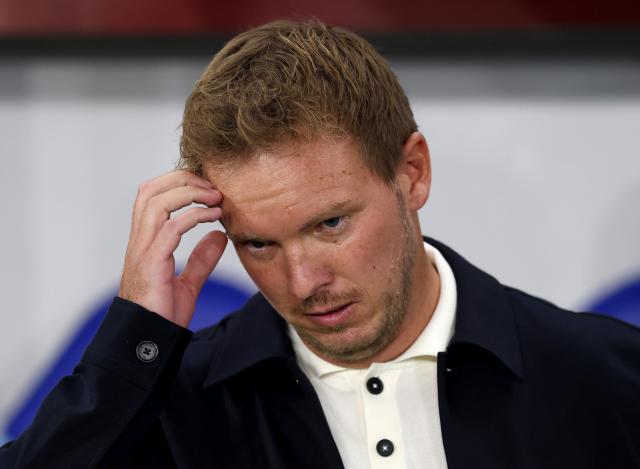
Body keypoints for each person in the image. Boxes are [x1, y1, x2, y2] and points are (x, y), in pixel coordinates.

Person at [2, 19, 639, 469]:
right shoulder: (169, 410)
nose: (304, 283)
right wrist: (133, 345)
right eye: (258, 244)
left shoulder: (607, 376)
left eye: (330, 224)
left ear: (412, 173)